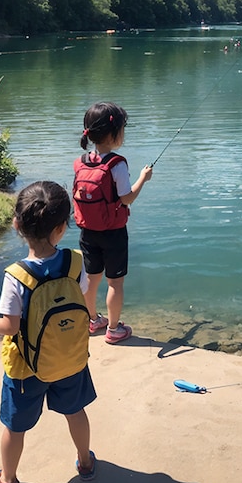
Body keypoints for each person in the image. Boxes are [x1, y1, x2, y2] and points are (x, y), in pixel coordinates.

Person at [0, 181, 97, 483]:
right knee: (75, 411)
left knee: (15, 428)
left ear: (16, 225)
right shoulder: (75, 261)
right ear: (62, 227)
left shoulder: (17, 276)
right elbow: (82, 301)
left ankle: (8, 478)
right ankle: (85, 461)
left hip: (26, 369)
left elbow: (10, 327)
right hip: (69, 359)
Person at [75, 102, 153, 344]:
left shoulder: (81, 161)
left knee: (90, 278)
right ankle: (114, 328)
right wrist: (143, 178)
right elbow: (127, 198)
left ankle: (92, 319)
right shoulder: (116, 164)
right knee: (115, 283)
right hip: (113, 233)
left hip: (88, 231)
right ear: (114, 134)